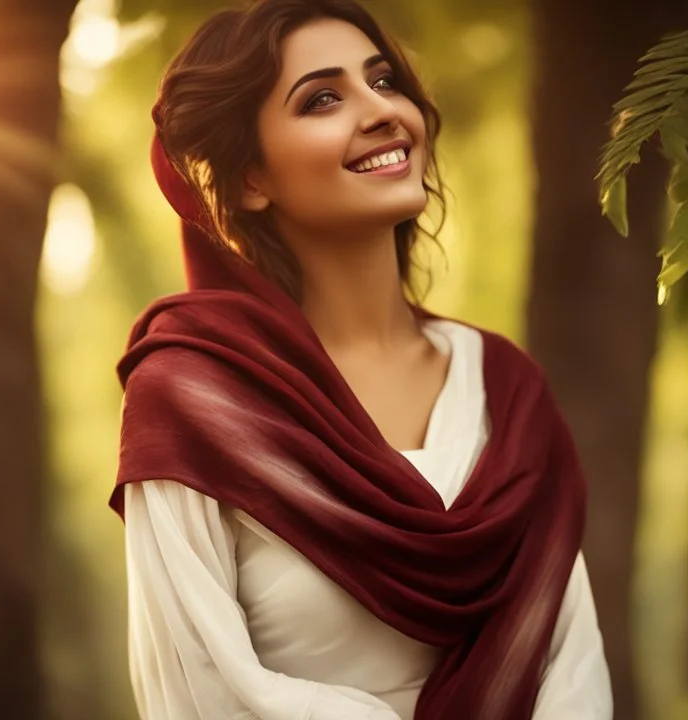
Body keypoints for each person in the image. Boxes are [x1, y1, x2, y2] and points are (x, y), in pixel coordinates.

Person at [111, 0, 612, 717]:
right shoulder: (193, 399)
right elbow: (196, 691)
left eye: (383, 82)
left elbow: (572, 671)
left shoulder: (507, 390)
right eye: (322, 99)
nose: (380, 111)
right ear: (252, 178)